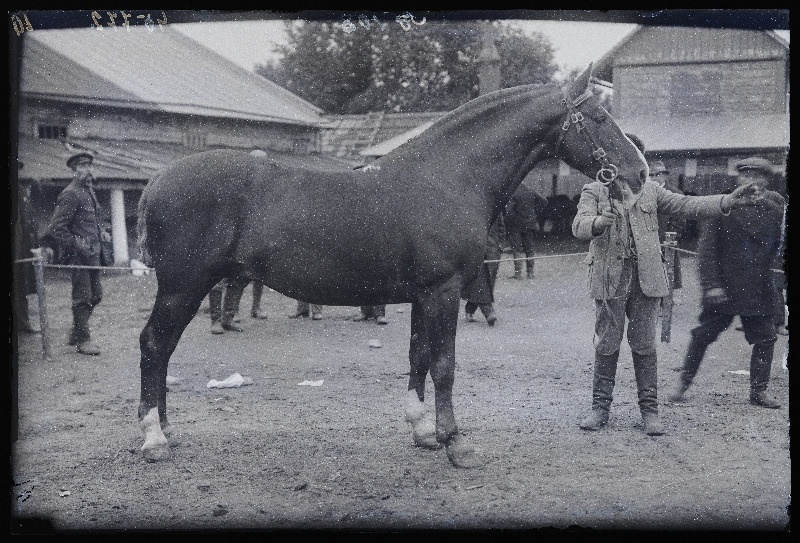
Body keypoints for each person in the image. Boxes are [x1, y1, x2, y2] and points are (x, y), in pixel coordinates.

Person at [571, 139, 762, 436]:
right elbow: (579, 225)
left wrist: (726, 200)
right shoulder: (595, 189)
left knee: (645, 346)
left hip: (647, 279)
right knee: (607, 345)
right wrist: (597, 222)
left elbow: (687, 205)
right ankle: (600, 409)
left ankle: (650, 412)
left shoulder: (651, 190)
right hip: (610, 280)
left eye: (635, 156)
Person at [668, 157, 785, 409]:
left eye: (759, 177)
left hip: (759, 287)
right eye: (746, 176)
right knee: (703, 336)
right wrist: (712, 285)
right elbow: (707, 251)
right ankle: (683, 384)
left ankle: (759, 392)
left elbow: (777, 249)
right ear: (739, 179)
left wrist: (775, 282)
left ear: (766, 181)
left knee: (765, 339)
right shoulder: (723, 207)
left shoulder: (775, 210)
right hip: (725, 287)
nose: (752, 182)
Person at [38, 152, 112, 355]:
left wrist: (102, 231)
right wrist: (77, 244)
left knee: (96, 295)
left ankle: (76, 331)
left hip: (94, 254)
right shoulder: (70, 193)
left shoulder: (89, 191)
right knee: (83, 297)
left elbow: (93, 219)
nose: (88, 170)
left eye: (90, 166)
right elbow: (56, 228)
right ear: (74, 170)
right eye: (83, 166)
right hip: (80, 256)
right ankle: (83, 341)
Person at [651, 160, 686, 303]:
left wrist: (671, 236)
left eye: (658, 174)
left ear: (665, 176)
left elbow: (680, 219)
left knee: (669, 270)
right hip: (649, 240)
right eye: (652, 175)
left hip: (667, 240)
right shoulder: (646, 193)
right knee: (651, 272)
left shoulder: (675, 193)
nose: (655, 178)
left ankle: (668, 300)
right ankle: (655, 301)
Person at [462, 214, 505, 326]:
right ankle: (488, 312)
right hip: (476, 249)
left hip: (493, 250)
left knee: (489, 280)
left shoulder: (496, 206)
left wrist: (500, 245)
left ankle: (469, 309)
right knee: (481, 279)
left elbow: (501, 228)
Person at [14, 162, 40, 334]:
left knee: (20, 287)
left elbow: (28, 222)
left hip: (21, 249)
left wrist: (32, 245)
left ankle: (23, 323)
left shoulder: (21, 191)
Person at [504, 184, 545, 279]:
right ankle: (530, 273)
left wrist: (510, 221)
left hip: (516, 225)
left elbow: (509, 212)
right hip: (530, 223)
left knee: (517, 249)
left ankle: (518, 273)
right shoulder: (531, 190)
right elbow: (544, 201)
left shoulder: (513, 192)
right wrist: (535, 214)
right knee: (529, 249)